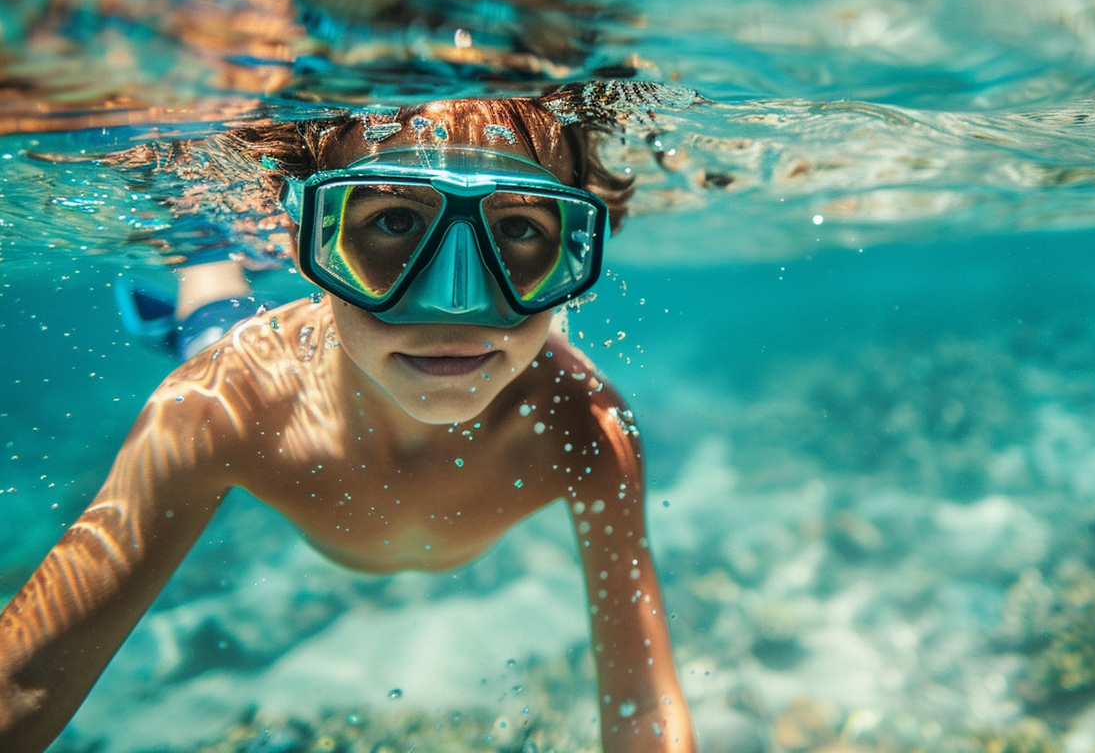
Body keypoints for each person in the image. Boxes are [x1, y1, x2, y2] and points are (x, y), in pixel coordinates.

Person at [0, 97, 696, 753]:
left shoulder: (587, 426)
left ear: (576, 249)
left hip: (519, 353)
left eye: (519, 227)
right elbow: (23, 684)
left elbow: (643, 703)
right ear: (306, 240)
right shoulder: (222, 405)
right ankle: (205, 254)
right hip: (278, 361)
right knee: (213, 326)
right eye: (393, 221)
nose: (455, 303)